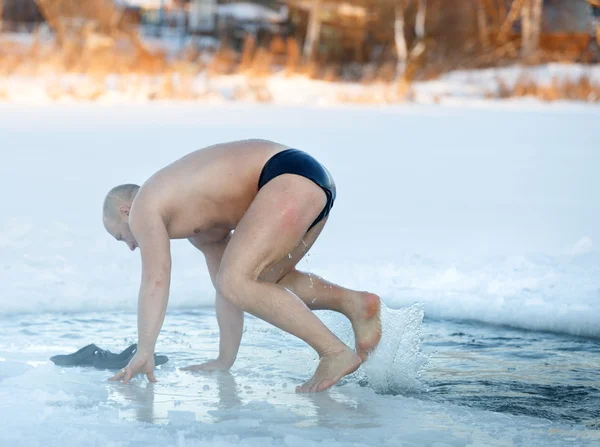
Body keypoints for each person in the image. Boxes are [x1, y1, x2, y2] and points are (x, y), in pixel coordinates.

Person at [103, 139, 381, 392]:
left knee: (236, 279)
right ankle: (355, 303)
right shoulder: (197, 225)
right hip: (308, 179)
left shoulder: (143, 206)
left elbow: (156, 279)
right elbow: (227, 293)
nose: (129, 245)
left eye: (120, 236)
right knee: (254, 283)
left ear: (125, 212)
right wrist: (225, 359)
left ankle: (334, 352)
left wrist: (145, 349)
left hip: (285, 176)